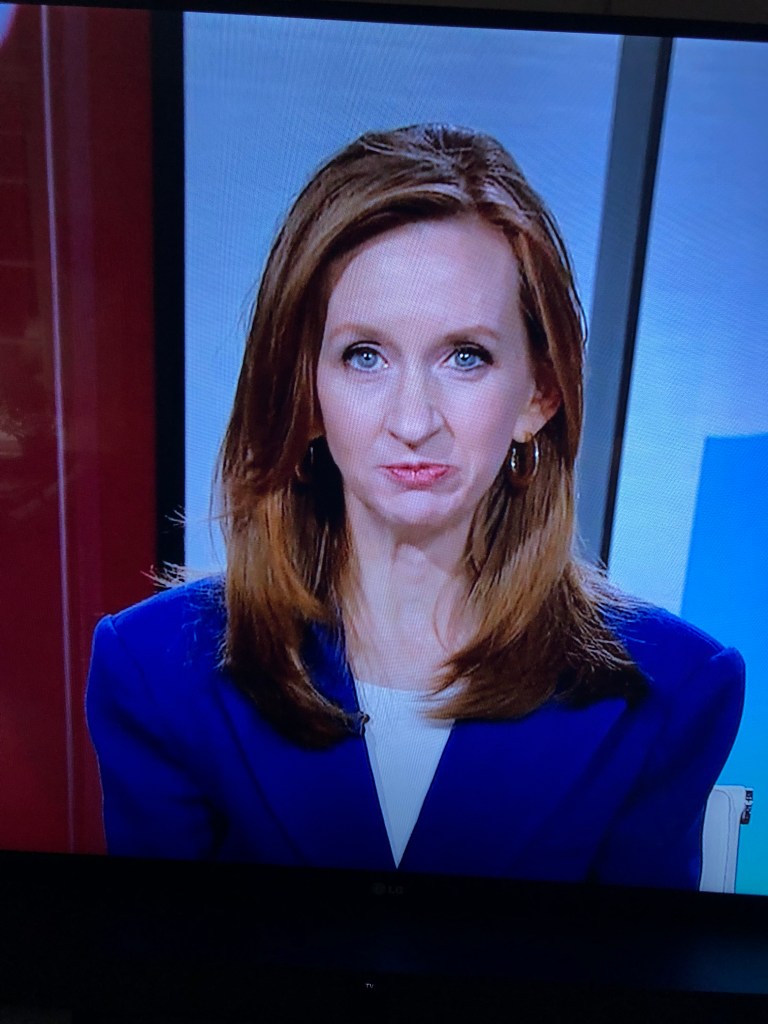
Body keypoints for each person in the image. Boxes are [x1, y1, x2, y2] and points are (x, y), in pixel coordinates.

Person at [86, 124, 744, 887]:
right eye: (364, 355)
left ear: (539, 394)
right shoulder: (157, 670)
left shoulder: (669, 692)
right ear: (305, 388)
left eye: (466, 356)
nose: (412, 419)